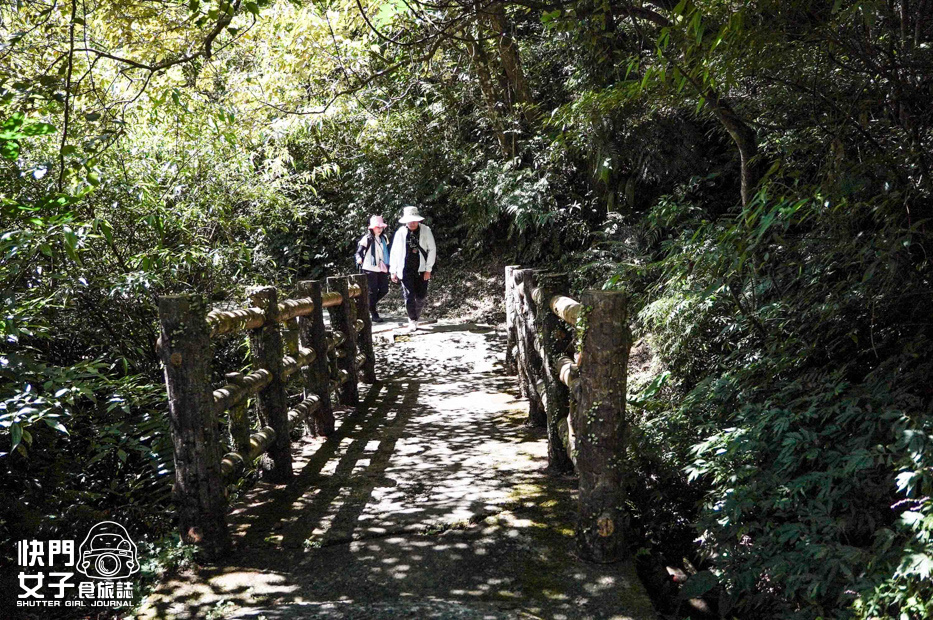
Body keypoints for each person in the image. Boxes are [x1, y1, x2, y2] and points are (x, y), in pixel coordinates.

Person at [389, 206, 436, 333]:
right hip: (405, 269)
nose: (412, 223)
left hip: (421, 269)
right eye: (410, 221)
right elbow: (394, 252)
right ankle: (412, 320)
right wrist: (393, 270)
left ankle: (416, 316)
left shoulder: (426, 230)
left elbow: (432, 249)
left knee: (421, 296)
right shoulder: (400, 233)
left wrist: (428, 269)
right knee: (409, 295)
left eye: (414, 220)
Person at [355, 215, 391, 322]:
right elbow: (359, 252)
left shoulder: (384, 238)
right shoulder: (367, 238)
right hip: (369, 268)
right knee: (373, 291)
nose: (379, 229)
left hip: (382, 268)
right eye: (377, 227)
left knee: (384, 289)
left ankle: (369, 304)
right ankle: (373, 312)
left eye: (380, 227)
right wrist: (359, 259)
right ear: (371, 228)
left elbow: (387, 252)